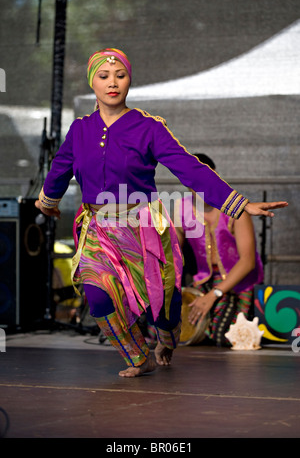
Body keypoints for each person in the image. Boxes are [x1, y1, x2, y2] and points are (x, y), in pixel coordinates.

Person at [35, 47, 287, 377]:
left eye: (120, 76)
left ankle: (166, 338)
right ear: (92, 83)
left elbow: (190, 169)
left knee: (164, 305)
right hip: (98, 229)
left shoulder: (148, 128)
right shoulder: (80, 130)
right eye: (104, 76)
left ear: (129, 81)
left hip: (142, 228)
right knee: (96, 296)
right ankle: (139, 357)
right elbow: (59, 170)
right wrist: (47, 203)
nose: (113, 83)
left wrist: (238, 204)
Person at [174, 154, 265, 346]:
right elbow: (173, 255)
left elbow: (248, 262)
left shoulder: (236, 207)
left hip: (238, 282)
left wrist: (214, 295)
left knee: (224, 334)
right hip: (205, 279)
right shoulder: (182, 209)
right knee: (173, 323)